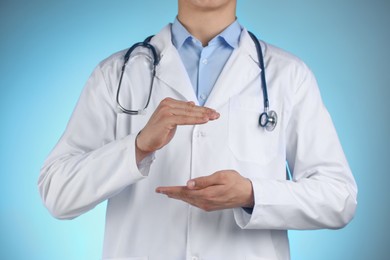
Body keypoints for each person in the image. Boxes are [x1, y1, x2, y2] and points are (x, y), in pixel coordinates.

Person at [38, 0, 358, 259]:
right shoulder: (116, 74)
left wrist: (251, 194)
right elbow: (57, 193)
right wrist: (137, 147)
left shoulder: (288, 75)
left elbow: (339, 198)